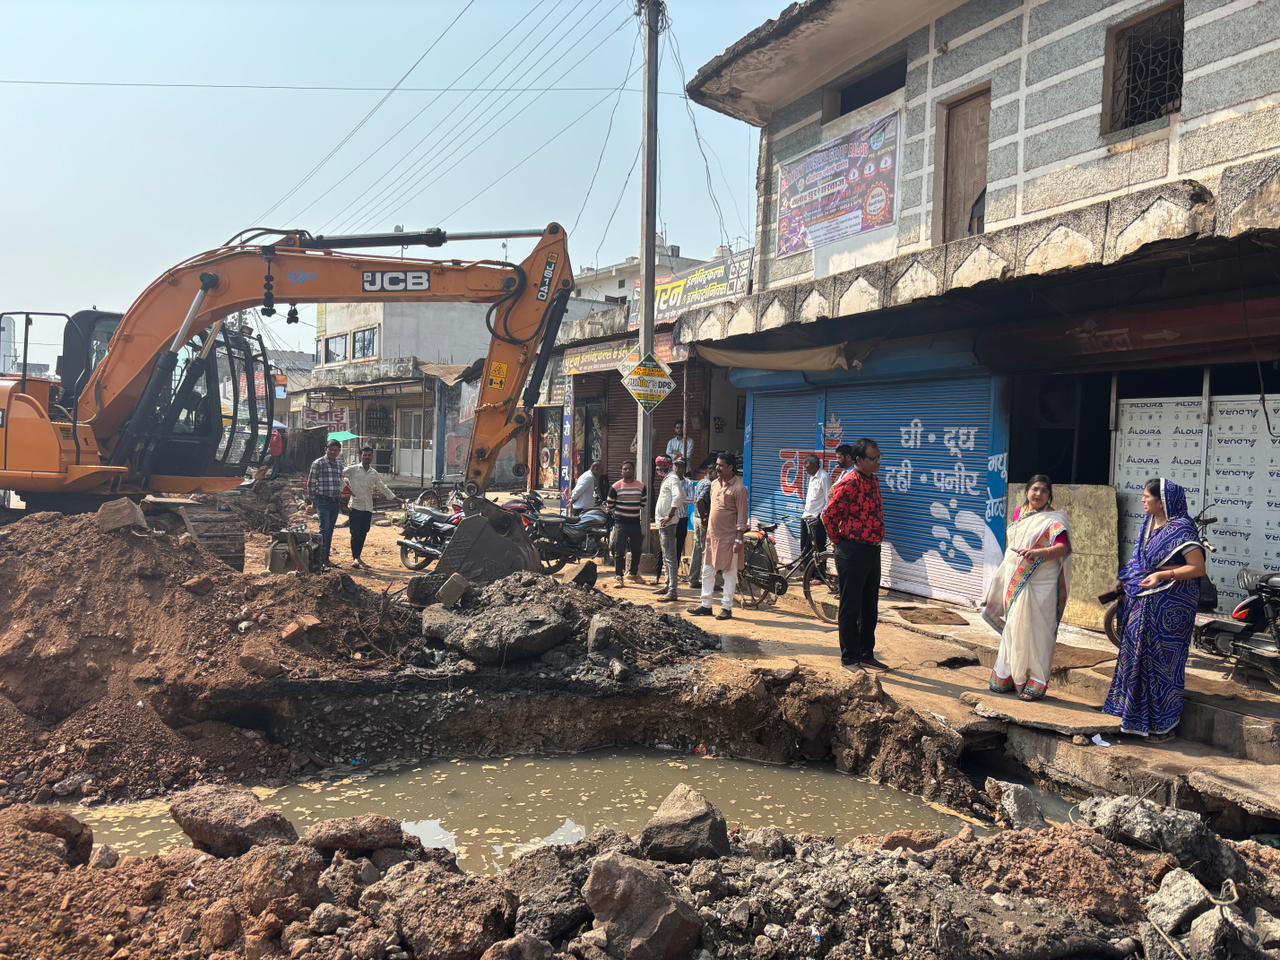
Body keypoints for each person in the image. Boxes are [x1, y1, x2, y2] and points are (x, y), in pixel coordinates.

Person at [1102, 478, 1205, 742]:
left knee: (1161, 666)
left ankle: (1161, 726)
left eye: (1147, 497)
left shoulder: (1182, 530)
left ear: (1162, 502)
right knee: (1134, 657)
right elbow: (1141, 561)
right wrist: (1128, 580)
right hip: (1143, 602)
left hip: (1169, 609)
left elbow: (1197, 568)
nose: (1143, 500)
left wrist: (1163, 575)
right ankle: (1129, 718)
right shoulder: (1149, 525)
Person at [981, 475, 1072, 701]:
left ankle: (1037, 680)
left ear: (1049, 494)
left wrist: (1040, 553)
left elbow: (1063, 548)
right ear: (1027, 491)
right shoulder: (1019, 514)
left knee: (1039, 630)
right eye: (1034, 489)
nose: (1038, 494)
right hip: (1016, 581)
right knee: (1014, 627)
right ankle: (1007, 674)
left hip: (1041, 583)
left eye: (1043, 491)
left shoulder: (1054, 520)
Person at [822, 439, 886, 670]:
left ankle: (866, 653)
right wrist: (840, 543)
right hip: (853, 550)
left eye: (879, 457)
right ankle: (850, 656)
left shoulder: (873, 481)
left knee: (870, 605)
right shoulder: (849, 483)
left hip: (872, 550)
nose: (878, 462)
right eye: (873, 458)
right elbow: (828, 516)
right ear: (859, 460)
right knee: (851, 606)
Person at [688, 452, 749, 621]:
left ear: (730, 467)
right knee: (707, 571)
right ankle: (706, 605)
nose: (718, 468)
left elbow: (742, 516)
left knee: (730, 574)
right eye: (717, 465)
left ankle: (726, 608)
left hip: (730, 538)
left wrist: (738, 538)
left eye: (721, 465)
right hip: (712, 537)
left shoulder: (739, 488)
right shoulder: (714, 484)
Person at [343, 445, 398, 569]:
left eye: (369, 455)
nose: (366, 457)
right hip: (355, 506)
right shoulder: (353, 469)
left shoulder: (374, 473)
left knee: (363, 533)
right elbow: (339, 474)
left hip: (368, 507)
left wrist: (395, 498)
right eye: (364, 455)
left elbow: (382, 486)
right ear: (360, 456)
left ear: (372, 457)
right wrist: (345, 486)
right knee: (355, 532)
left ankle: (358, 556)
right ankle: (355, 558)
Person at [654, 456, 692, 601]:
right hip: (664, 524)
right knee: (666, 556)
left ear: (665, 467)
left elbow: (679, 497)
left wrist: (670, 515)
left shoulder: (673, 479)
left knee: (670, 557)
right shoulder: (669, 478)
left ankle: (672, 591)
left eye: (659, 468)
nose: (658, 471)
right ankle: (668, 585)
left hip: (668, 523)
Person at [606, 459, 647, 587]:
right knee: (619, 550)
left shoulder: (641, 486)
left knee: (637, 549)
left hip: (635, 522)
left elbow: (643, 503)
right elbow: (610, 504)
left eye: (629, 468)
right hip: (620, 523)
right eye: (625, 469)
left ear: (634, 470)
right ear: (621, 471)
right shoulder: (616, 487)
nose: (627, 470)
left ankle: (633, 573)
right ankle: (619, 576)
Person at [306, 440, 345, 570]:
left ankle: (326, 559)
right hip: (323, 501)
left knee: (330, 531)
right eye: (331, 449)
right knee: (324, 530)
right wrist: (313, 501)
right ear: (326, 449)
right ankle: (320, 561)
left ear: (339, 451)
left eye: (336, 450)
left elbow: (340, 482)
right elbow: (311, 483)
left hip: (335, 501)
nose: (333, 452)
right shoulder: (318, 463)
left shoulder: (339, 464)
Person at [688, 456, 716, 590]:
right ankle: (706, 581)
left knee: (697, 549)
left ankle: (693, 579)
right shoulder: (709, 484)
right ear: (711, 472)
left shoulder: (700, 482)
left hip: (697, 520)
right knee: (706, 551)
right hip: (703, 520)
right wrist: (705, 517)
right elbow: (700, 501)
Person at [800, 453, 830, 560]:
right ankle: (808, 574)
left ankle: (819, 575)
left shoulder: (824, 477)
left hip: (816, 520)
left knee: (818, 548)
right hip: (806, 517)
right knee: (805, 547)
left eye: (807, 467)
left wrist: (820, 517)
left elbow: (828, 500)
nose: (805, 469)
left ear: (814, 466)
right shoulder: (812, 477)